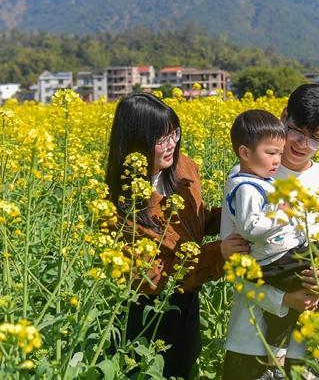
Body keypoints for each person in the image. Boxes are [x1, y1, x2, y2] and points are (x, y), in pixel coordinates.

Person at [104, 92, 248, 379]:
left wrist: (240, 215)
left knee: (186, 364)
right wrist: (218, 253)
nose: (172, 145)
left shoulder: (183, 168)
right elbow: (151, 277)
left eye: (174, 134)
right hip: (148, 318)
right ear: (135, 141)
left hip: (187, 302)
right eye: (161, 139)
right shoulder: (117, 203)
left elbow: (196, 219)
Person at [221, 84, 319, 379]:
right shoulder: (244, 177)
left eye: (317, 140)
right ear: (283, 117)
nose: (303, 145)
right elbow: (234, 263)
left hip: (313, 343)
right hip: (253, 338)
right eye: (297, 131)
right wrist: (282, 300)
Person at [224, 109, 316, 351]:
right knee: (312, 283)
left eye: (279, 153)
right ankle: (282, 348)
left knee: (313, 278)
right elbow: (250, 227)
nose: (278, 160)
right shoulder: (246, 188)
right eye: (271, 153)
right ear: (244, 153)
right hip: (273, 260)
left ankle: (280, 345)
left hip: (279, 255)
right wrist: (282, 215)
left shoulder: (261, 180)